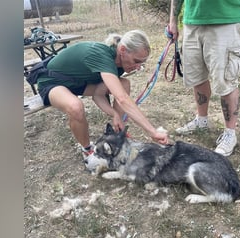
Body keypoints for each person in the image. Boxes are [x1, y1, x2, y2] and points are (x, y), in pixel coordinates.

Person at [36, 30, 169, 172]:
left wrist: (114, 114)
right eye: (136, 61)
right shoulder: (102, 56)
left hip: (78, 83)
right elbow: (122, 99)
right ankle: (87, 149)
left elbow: (98, 95)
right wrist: (152, 131)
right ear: (123, 50)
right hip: (52, 81)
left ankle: (118, 134)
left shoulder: (119, 62)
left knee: (124, 84)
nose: (138, 67)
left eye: (142, 63)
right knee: (75, 106)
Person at [169, 0, 240, 156]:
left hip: (227, 20)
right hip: (192, 20)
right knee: (197, 77)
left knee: (226, 80)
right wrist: (173, 19)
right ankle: (202, 120)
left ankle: (230, 134)